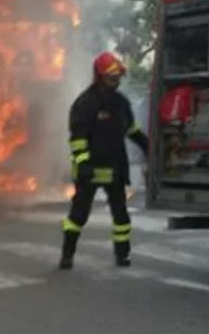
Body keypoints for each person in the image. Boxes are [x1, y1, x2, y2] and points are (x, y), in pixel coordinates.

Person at [60, 51, 150, 270]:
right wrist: (84, 164)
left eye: (118, 76)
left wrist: (149, 147)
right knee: (78, 216)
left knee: (121, 217)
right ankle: (67, 255)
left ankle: (122, 255)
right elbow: (78, 138)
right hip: (90, 169)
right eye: (112, 76)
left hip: (115, 167)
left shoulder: (120, 103)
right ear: (100, 76)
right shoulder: (86, 102)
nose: (116, 80)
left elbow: (131, 129)